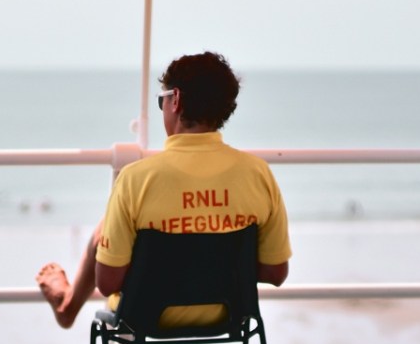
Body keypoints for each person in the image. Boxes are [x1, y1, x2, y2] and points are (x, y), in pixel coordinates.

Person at [37, 51, 291, 329]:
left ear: (176, 100)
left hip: (147, 316)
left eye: (162, 100)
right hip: (230, 316)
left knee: (106, 228)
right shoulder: (258, 174)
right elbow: (276, 272)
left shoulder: (137, 179)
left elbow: (107, 283)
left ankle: (66, 305)